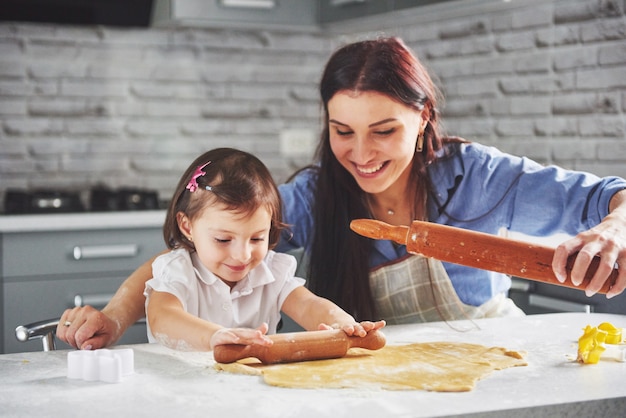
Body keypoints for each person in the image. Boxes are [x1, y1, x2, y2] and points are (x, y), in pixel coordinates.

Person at [57, 37, 626, 350]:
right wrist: (113, 315)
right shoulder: (312, 195)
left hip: (491, 359)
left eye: (384, 132)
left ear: (423, 117)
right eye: (342, 132)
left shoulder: (477, 174)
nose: (362, 155)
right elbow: (183, 263)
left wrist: (614, 228)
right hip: (372, 377)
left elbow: (613, 197)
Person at [143, 147, 384, 351]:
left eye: (257, 239)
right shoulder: (177, 270)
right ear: (187, 227)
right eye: (223, 240)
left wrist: (341, 322)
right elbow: (162, 317)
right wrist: (215, 336)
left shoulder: (270, 271)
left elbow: (309, 305)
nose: (243, 255)